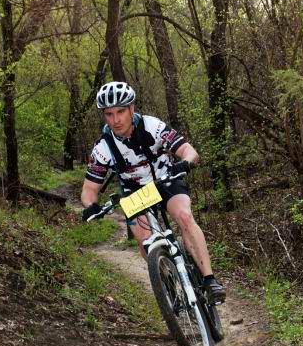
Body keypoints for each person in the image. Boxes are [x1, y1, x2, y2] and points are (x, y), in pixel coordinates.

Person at [81, 81, 226, 304]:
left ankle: (209, 280)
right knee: (145, 241)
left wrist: (185, 162)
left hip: (166, 179)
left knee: (185, 217)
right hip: (135, 192)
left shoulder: (152, 126)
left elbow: (188, 151)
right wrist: (90, 206)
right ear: (104, 116)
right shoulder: (103, 148)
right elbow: (90, 189)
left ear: (132, 108)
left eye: (121, 111)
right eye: (109, 114)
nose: (116, 119)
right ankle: (167, 286)